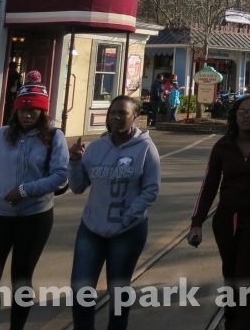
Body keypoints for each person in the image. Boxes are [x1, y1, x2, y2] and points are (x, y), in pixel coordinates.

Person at [0, 75, 69, 330]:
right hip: (2, 215)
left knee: (21, 278)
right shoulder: (1, 136)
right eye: (22, 109)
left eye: (33, 109)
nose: (27, 115)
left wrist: (25, 190)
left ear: (42, 111)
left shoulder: (54, 137)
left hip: (36, 216)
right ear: (15, 110)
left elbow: (60, 177)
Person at [189, 95, 250, 330]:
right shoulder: (222, 146)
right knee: (231, 276)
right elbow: (209, 185)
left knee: (247, 281)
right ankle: (231, 323)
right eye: (242, 112)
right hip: (225, 222)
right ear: (235, 115)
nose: (246, 116)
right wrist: (197, 222)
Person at [69, 95, 161, 330]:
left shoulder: (145, 148)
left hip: (128, 231)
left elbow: (151, 190)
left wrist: (127, 217)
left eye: (123, 113)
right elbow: (78, 187)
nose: (117, 117)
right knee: (81, 288)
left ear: (135, 117)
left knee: (118, 291)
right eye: (113, 113)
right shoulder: (96, 148)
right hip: (91, 228)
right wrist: (75, 162)